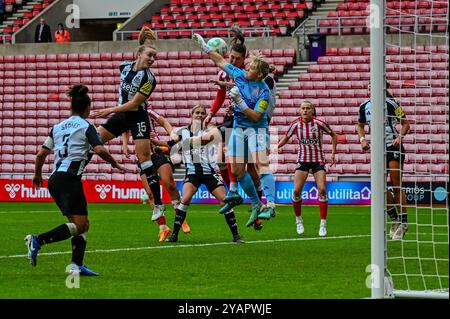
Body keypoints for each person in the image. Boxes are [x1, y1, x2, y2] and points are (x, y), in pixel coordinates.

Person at [25, 84, 127, 275]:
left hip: (55, 179)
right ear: (87, 108)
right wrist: (115, 164)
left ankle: (75, 265)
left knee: (82, 224)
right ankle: (37, 240)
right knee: (80, 225)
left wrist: (37, 174)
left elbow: (40, 155)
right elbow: (99, 149)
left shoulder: (57, 127)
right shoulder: (86, 126)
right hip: (69, 179)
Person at [192, 33, 273, 228]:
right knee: (236, 170)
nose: (247, 68)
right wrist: (204, 46)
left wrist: (239, 102)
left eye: (251, 67)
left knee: (261, 165)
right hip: (238, 129)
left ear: (260, 74)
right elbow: (220, 61)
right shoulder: (239, 75)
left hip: (256, 130)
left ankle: (270, 203)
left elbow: (256, 116)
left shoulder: (264, 91)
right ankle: (255, 203)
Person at [92, 26, 159, 219]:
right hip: (122, 116)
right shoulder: (124, 67)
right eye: (149, 55)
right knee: (93, 142)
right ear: (139, 54)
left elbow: (134, 104)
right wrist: (124, 139)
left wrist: (109, 110)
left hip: (137, 116)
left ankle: (157, 204)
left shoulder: (149, 79)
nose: (152, 60)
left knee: (145, 161)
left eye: (154, 57)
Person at [159, 105, 244, 243]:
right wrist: (156, 144)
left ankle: (236, 236)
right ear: (191, 114)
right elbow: (169, 144)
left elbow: (222, 133)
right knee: (185, 199)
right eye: (197, 112)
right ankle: (174, 235)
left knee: (224, 201)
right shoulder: (183, 131)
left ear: (205, 116)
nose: (199, 115)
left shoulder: (210, 130)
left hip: (209, 172)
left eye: (202, 113)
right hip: (192, 173)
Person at [122, 109, 190, 242]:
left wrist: (171, 134)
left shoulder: (148, 111)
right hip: (142, 158)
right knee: (150, 194)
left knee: (169, 184)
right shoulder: (127, 114)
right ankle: (163, 228)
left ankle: (181, 218)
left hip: (157, 153)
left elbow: (164, 121)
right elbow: (125, 130)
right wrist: (125, 145)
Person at [357, 83, 410, 240]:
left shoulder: (391, 103)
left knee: (396, 185)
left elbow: (406, 124)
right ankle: (394, 220)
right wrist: (362, 139)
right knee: (379, 187)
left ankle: (404, 223)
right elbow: (360, 126)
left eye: (374, 86)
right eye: (369, 86)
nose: (370, 89)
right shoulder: (364, 106)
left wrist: (400, 137)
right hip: (378, 150)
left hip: (393, 148)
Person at [278, 101, 337, 237]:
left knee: (322, 189)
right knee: (296, 191)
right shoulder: (295, 125)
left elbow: (334, 135)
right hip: (303, 160)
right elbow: (286, 138)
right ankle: (298, 220)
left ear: (312, 110)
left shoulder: (319, 123)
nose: (305, 110)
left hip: (318, 160)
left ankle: (323, 223)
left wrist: (333, 152)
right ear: (300, 111)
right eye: (303, 108)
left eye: (308, 108)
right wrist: (276, 148)